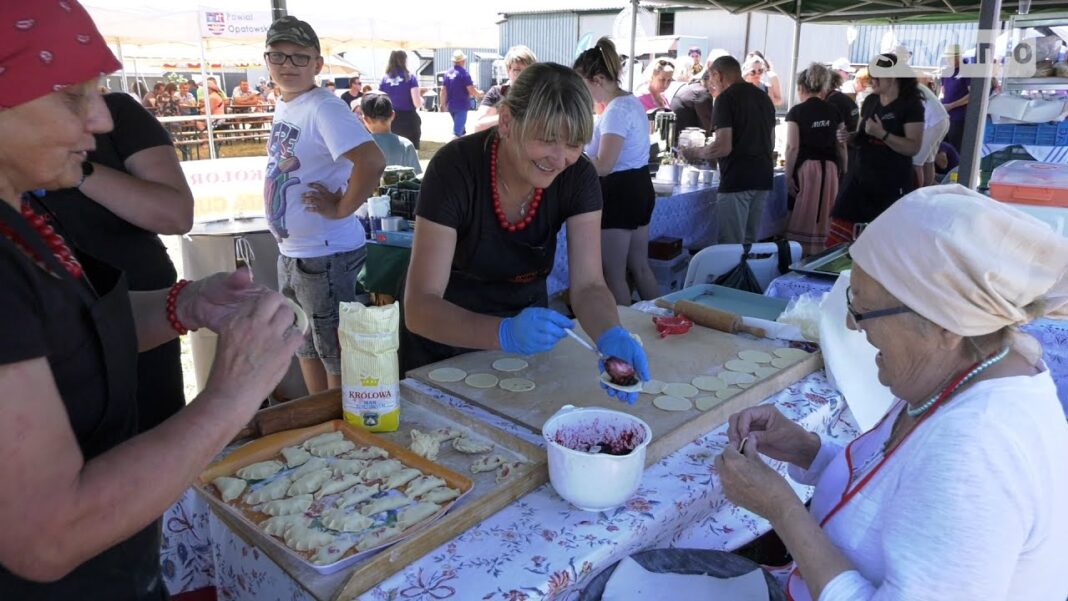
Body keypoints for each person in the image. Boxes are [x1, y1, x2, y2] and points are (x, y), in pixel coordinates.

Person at [0, 2, 303, 597]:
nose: (101, 119)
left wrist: (184, 306)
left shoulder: (22, 214)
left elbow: (70, 334)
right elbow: (47, 537)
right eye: (73, 96)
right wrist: (233, 394)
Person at [717, 185, 1068, 601]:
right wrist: (807, 450)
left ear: (945, 322)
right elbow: (897, 489)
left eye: (863, 309)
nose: (851, 325)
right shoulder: (967, 370)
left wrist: (782, 510)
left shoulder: (979, 448)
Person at [400, 62, 649, 404]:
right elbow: (420, 307)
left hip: (527, 348)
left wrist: (610, 333)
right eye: (547, 140)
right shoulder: (454, 169)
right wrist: (503, 333)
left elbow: (589, 285)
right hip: (443, 346)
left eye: (574, 144)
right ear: (506, 121)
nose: (559, 159)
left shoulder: (578, 176)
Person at [38, 91, 195, 432]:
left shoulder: (119, 113)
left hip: (142, 315)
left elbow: (176, 215)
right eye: (75, 89)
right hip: (59, 364)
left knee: (155, 428)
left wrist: (76, 169)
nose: (101, 119)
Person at [262, 16, 386, 394]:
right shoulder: (287, 104)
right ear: (266, 60)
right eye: (278, 55)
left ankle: (339, 422)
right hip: (296, 253)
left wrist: (342, 208)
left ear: (317, 64)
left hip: (325, 254)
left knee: (333, 351)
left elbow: (371, 161)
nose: (288, 65)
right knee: (304, 345)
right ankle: (319, 419)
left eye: (299, 57)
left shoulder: (323, 107)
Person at [574, 37, 660, 305]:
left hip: (620, 193)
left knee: (614, 275)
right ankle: (664, 318)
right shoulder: (631, 102)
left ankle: (625, 326)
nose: (584, 93)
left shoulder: (616, 111)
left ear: (598, 79)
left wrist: (573, 155)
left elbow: (603, 165)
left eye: (584, 85)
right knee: (640, 267)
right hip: (639, 185)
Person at [828, 53, 924, 246]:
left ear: (892, 76)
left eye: (876, 76)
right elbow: (861, 135)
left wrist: (882, 134)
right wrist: (848, 137)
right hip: (860, 176)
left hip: (890, 181)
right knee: (840, 234)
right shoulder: (871, 100)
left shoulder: (911, 104)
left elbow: (913, 147)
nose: (871, 80)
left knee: (881, 240)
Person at [683, 55, 776, 244]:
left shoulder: (725, 99)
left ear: (718, 74)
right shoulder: (763, 97)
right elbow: (771, 141)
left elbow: (723, 147)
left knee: (732, 245)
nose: (711, 83)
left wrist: (695, 152)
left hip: (737, 179)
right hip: (763, 177)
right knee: (750, 244)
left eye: (711, 77)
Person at [785, 64, 846, 256]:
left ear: (801, 87)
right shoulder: (834, 111)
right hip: (831, 168)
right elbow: (841, 144)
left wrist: (787, 176)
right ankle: (822, 254)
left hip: (807, 168)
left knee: (804, 211)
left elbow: (792, 147)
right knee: (825, 213)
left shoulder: (796, 112)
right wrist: (843, 169)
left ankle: (799, 253)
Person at [474, 45, 537, 132]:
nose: (523, 75)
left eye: (527, 71)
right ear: (508, 71)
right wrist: (509, 117)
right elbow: (479, 126)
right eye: (517, 70)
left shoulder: (540, 95)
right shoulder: (497, 93)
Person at [360, 93, 422, 174]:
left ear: (365, 119)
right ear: (393, 115)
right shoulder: (406, 145)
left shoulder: (360, 146)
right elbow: (417, 176)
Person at [380, 50, 423, 149]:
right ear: (405, 60)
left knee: (392, 150)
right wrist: (422, 100)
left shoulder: (384, 79)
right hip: (408, 119)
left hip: (390, 119)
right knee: (411, 150)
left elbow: (381, 100)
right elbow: (417, 103)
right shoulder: (410, 77)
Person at [440, 50, 480, 138]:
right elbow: (471, 90)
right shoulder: (464, 73)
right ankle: (452, 145)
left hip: (451, 106)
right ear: (462, 61)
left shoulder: (447, 73)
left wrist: (442, 104)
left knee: (461, 130)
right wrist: (479, 94)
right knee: (457, 132)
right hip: (461, 106)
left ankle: (462, 144)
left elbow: (443, 90)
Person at [669, 67, 715, 136]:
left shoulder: (691, 86)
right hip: (685, 138)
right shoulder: (702, 93)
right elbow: (708, 126)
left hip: (677, 134)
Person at [941, 44, 970, 151]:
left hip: (959, 118)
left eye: (951, 57)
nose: (948, 59)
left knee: (955, 148)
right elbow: (943, 91)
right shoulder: (946, 71)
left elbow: (972, 95)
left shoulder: (967, 70)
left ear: (959, 56)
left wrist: (951, 105)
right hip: (945, 116)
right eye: (947, 57)